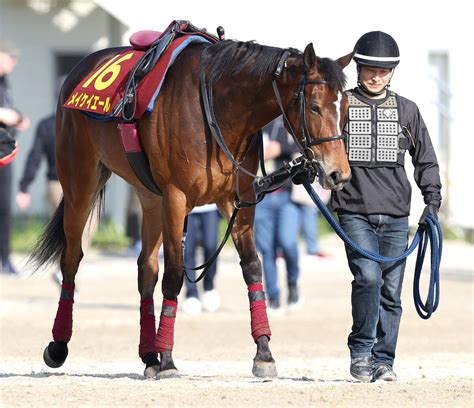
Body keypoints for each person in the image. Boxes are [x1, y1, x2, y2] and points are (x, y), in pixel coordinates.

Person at [331, 31, 442, 382]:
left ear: (392, 71)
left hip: (396, 214)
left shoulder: (408, 110)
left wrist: (433, 201)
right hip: (353, 210)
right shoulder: (342, 105)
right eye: (369, 69)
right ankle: (361, 350)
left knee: (391, 291)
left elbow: (425, 160)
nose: (376, 76)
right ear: (359, 68)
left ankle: (384, 360)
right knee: (367, 277)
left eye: (384, 70)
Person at [254, 116, 301, 313]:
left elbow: (303, 148)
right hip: (260, 196)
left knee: (288, 243)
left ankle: (292, 283)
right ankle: (273, 295)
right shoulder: (255, 123)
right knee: (267, 249)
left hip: (287, 195)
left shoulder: (289, 122)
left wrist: (280, 149)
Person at [0, 41, 30, 275]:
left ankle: (5, 258)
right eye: (10, 57)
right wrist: (10, 115)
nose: (13, 62)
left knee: (4, 208)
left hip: (3, 154)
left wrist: (18, 118)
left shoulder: (4, 83)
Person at [181, 204, 221, 315]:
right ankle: (191, 293)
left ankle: (209, 286)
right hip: (187, 208)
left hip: (210, 205)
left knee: (211, 246)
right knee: (188, 250)